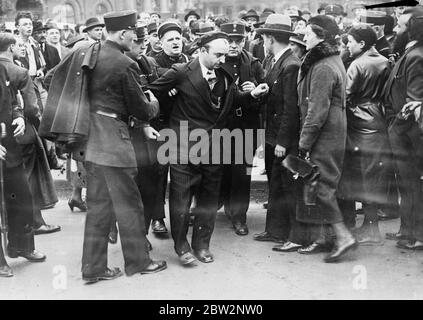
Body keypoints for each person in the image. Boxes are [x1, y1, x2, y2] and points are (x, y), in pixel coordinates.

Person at [148, 31, 269, 265]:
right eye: (217, 55)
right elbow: (152, 91)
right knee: (181, 198)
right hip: (183, 146)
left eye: (224, 55)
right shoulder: (181, 72)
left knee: (209, 199)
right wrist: (160, 113)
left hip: (215, 147)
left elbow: (233, 98)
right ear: (202, 51)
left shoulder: (223, 74)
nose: (222, 60)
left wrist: (252, 94)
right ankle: (182, 246)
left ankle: (202, 245)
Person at [80, 10, 166, 283]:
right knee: (129, 205)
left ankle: (93, 268)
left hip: (94, 141)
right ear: (122, 33)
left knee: (98, 208)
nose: (136, 37)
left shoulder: (92, 54)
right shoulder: (125, 63)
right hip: (116, 143)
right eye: (134, 32)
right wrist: (154, 101)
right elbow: (142, 110)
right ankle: (139, 262)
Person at [296, 15, 357, 262]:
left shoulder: (321, 66)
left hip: (324, 136)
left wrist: (304, 143)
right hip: (333, 133)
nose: (303, 37)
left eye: (307, 33)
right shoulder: (333, 59)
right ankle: (327, 237)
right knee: (323, 185)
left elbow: (316, 111)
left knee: (322, 188)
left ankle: (343, 237)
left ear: (320, 35)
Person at [251, 14, 305, 252]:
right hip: (274, 134)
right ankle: (276, 230)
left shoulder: (290, 64)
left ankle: (294, 235)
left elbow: (290, 108)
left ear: (270, 39)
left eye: (264, 38)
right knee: (276, 184)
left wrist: (283, 141)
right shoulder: (278, 61)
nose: (263, 42)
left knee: (287, 187)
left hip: (283, 137)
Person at [338, 24, 392, 245]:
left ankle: (370, 231)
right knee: (374, 176)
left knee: (362, 177)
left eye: (349, 41)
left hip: (359, 124)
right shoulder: (385, 61)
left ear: (361, 43)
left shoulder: (357, 65)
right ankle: (371, 227)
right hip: (379, 121)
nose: (347, 45)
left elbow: (344, 97)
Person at [0, 40, 47, 278]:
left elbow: (9, 100)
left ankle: (21, 246)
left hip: (8, 144)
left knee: (22, 197)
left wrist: (18, 116)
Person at [218, 22, 264, 236]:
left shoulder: (253, 63)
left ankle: (239, 216)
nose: (234, 45)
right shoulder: (216, 61)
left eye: (239, 40)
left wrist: (256, 91)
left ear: (245, 40)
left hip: (246, 126)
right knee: (222, 169)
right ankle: (225, 206)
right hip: (223, 126)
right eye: (230, 41)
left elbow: (265, 96)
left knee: (243, 173)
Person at [384, 6, 423, 250]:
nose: (396, 30)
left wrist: (395, 127)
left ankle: (417, 235)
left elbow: (413, 102)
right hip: (402, 133)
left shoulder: (417, 56)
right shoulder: (410, 52)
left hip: (408, 135)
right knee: (406, 184)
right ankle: (407, 231)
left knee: (413, 184)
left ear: (413, 30)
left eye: (400, 26)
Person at [149, 21, 191, 235]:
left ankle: (183, 214)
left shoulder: (187, 60)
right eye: (170, 39)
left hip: (184, 124)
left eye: (178, 38)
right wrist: (168, 89)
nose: (175, 42)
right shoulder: (154, 62)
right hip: (163, 124)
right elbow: (150, 90)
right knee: (159, 173)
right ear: (160, 43)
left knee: (183, 173)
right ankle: (157, 218)